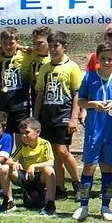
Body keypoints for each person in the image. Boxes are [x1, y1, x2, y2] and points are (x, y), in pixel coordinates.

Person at [74, 41, 112, 222]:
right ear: (97, 58)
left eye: (110, 58)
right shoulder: (89, 77)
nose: (107, 62)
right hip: (94, 130)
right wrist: (92, 104)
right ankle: (84, 206)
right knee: (89, 166)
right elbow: (81, 101)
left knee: (107, 167)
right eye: (103, 58)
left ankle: (105, 206)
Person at [34, 31, 83, 201]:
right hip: (48, 115)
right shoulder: (45, 67)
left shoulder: (72, 67)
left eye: (57, 46)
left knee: (62, 150)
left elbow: (77, 94)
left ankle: (78, 183)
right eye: (51, 46)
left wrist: (73, 118)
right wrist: (35, 117)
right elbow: (40, 93)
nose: (53, 50)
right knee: (53, 153)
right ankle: (60, 187)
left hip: (63, 113)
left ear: (65, 47)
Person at [0, 27, 36, 136]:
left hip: (21, 106)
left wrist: (21, 47)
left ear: (18, 42)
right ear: (0, 43)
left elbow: (40, 50)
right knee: (5, 138)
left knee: (22, 137)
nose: (8, 46)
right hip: (2, 105)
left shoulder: (26, 56)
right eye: (4, 43)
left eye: (12, 43)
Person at [12, 118, 56, 212]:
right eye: (22, 133)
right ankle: (8, 201)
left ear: (38, 132)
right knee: (5, 169)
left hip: (40, 177)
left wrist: (33, 166)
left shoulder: (44, 144)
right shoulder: (23, 146)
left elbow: (51, 162)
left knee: (49, 169)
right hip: (27, 178)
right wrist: (13, 163)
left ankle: (50, 204)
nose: (24, 136)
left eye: (27, 132)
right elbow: (9, 160)